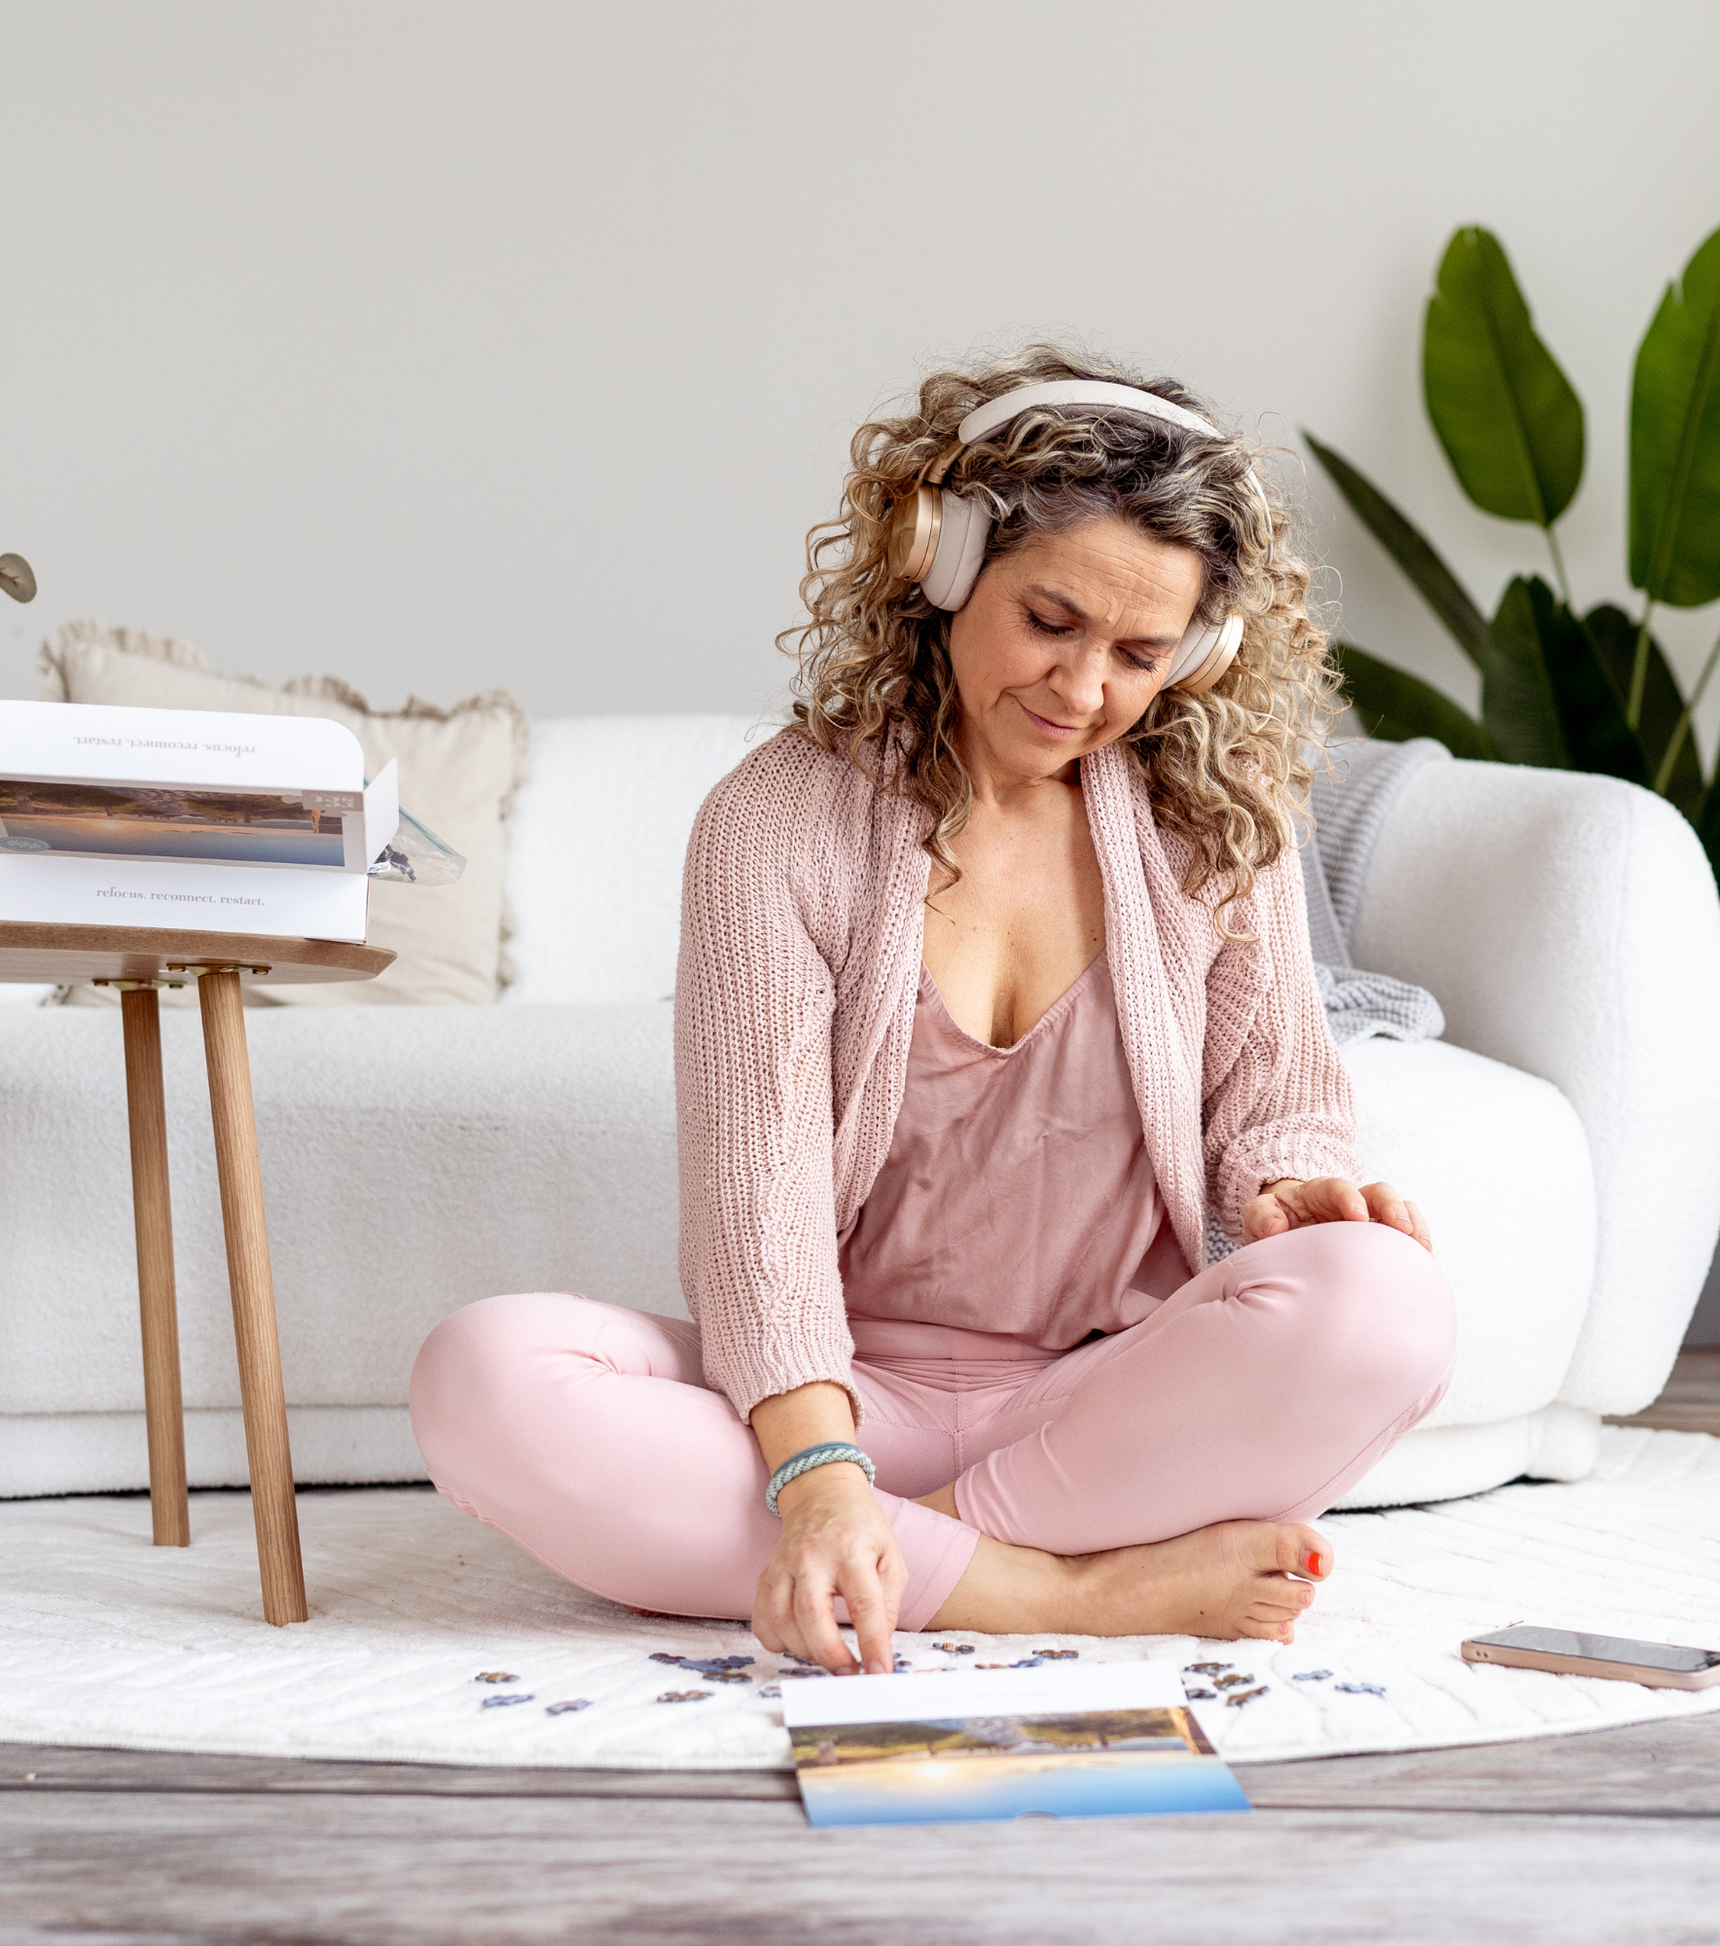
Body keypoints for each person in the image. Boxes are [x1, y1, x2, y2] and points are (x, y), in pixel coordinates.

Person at [410, 349, 1457, 1678]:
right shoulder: (775, 820)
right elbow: (756, 1203)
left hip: (1103, 1396)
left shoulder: (1213, 829)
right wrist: (821, 1481)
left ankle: (890, 1568)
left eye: (1139, 653)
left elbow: (1281, 1104)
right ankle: (1067, 1591)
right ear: (944, 562)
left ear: (1200, 650)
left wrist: (1291, 1188)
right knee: (482, 1372)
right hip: (844, 1399)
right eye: (1049, 620)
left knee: (1389, 1299)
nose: (1083, 690)